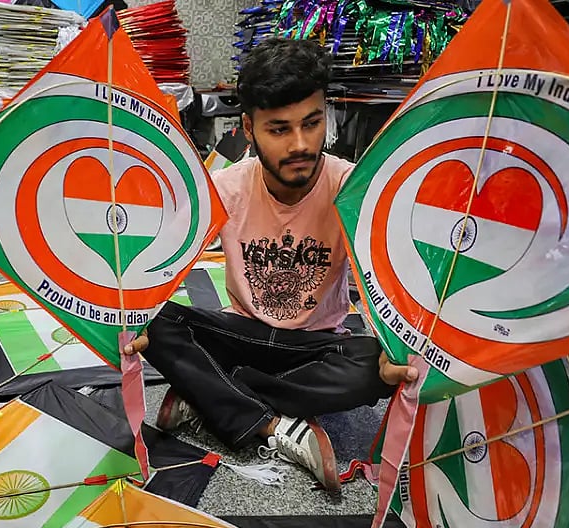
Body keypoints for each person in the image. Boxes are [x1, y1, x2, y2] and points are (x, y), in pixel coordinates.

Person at [123, 38, 417, 493]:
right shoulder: (222, 188)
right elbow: (155, 266)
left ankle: (212, 395)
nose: (300, 145)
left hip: (317, 347)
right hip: (242, 336)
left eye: (312, 123)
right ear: (248, 127)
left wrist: (398, 353)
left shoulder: (353, 189)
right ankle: (275, 426)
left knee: (381, 365)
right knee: (155, 325)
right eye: (279, 130)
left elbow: (391, 291)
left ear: (327, 117)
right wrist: (127, 318)